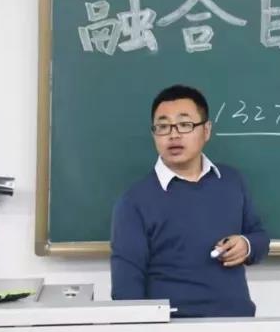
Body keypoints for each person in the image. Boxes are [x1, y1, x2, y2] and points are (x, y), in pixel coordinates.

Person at [110, 84, 269, 317]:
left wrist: (246, 244)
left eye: (184, 124)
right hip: (173, 327)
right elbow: (126, 289)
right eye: (163, 126)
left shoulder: (232, 181)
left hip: (237, 322)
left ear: (206, 130)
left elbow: (260, 238)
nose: (173, 135)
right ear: (154, 134)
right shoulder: (134, 202)